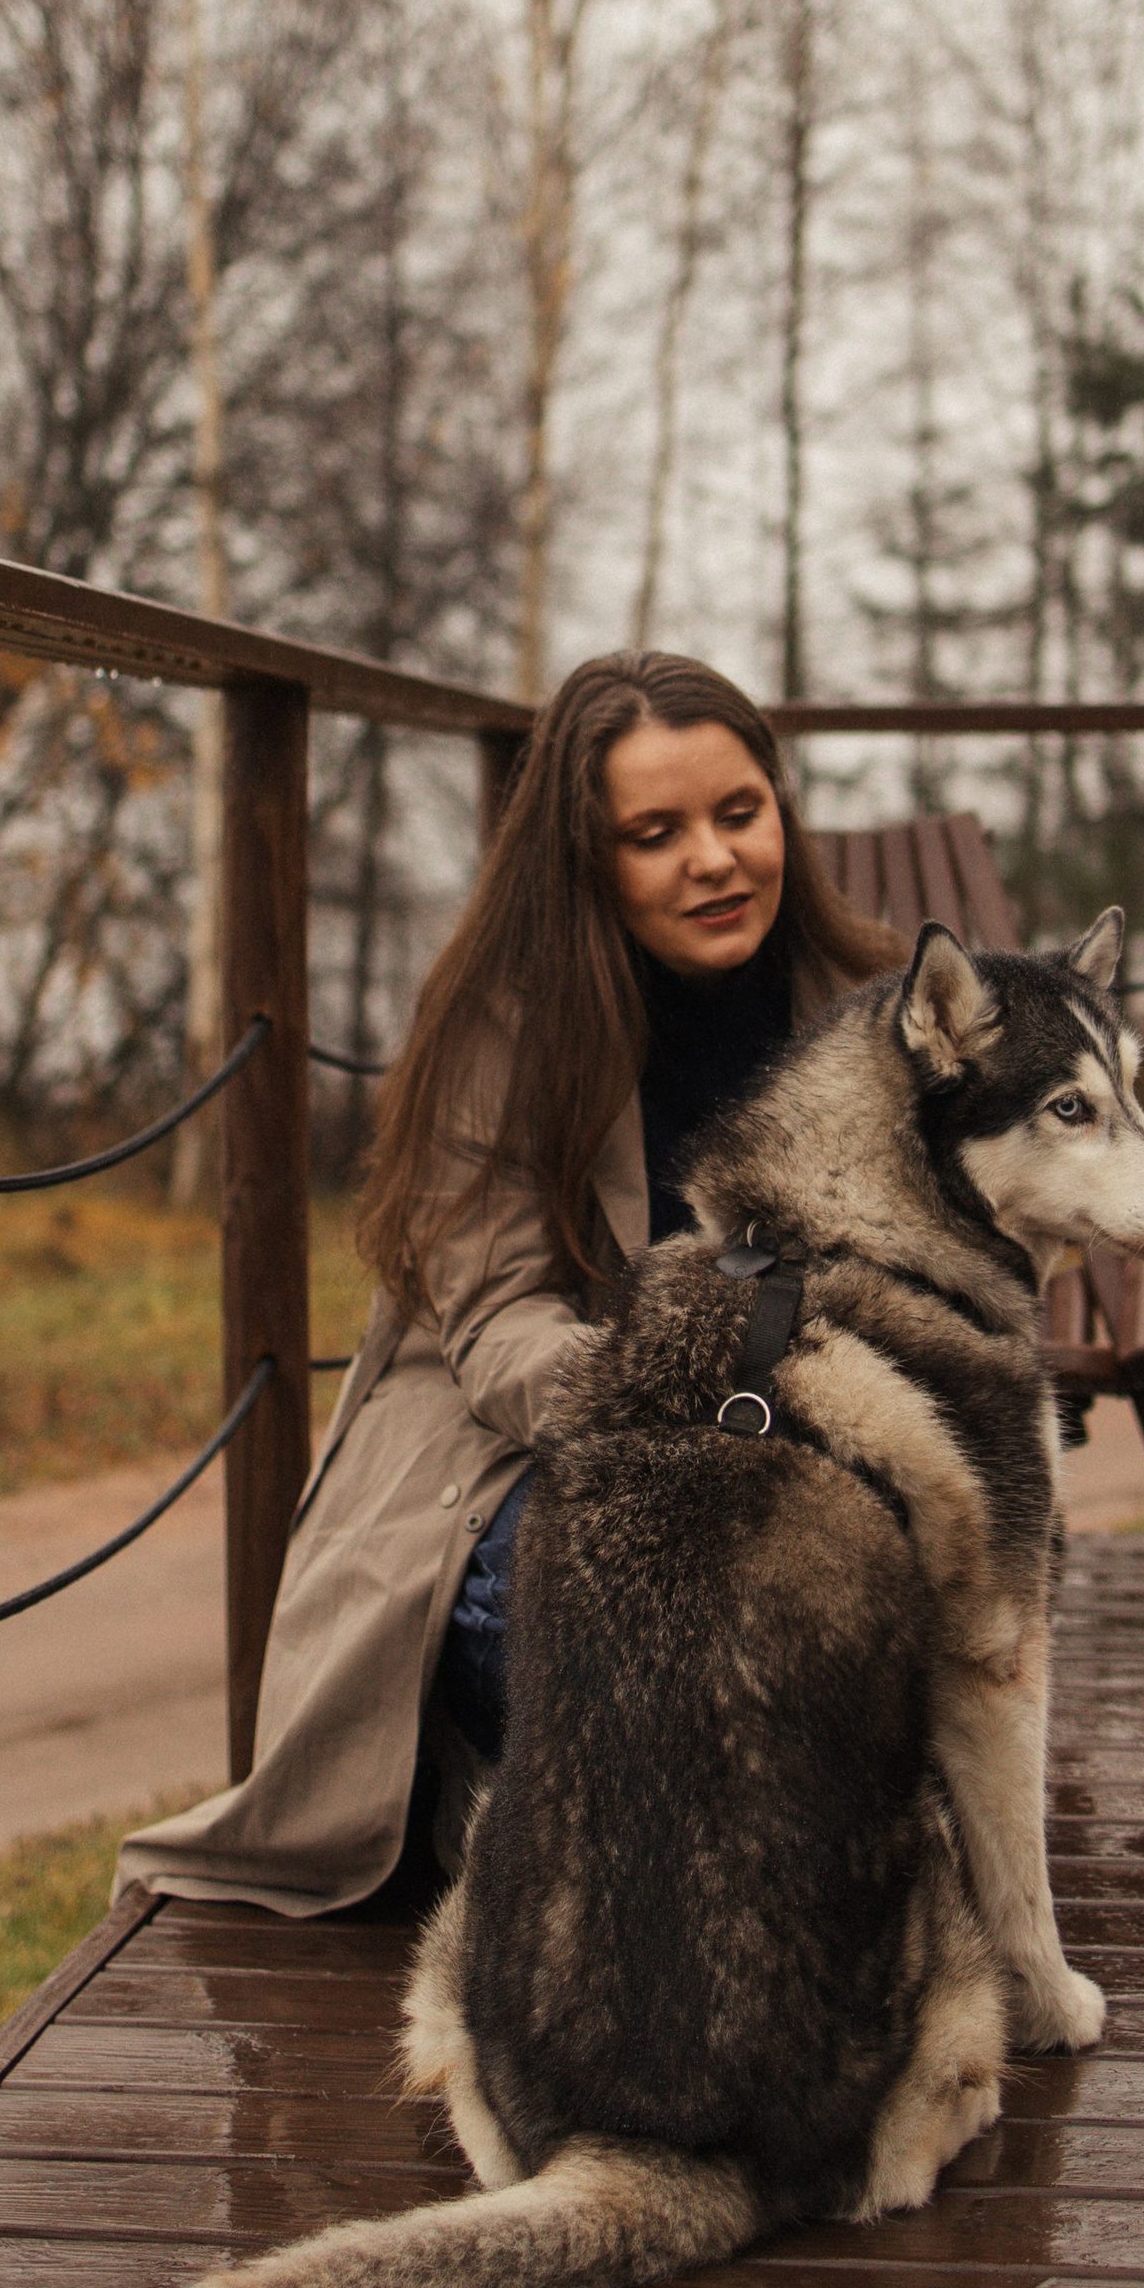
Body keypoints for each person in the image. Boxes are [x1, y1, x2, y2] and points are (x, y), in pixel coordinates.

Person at [115, 651, 897, 1921]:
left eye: (738, 812)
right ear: (588, 860)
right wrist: (675, 1411)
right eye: (655, 833)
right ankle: (548, 1811)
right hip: (520, 1448)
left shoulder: (865, 1011)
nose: (712, 858)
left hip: (805, 1436)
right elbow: (497, 1325)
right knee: (631, 1614)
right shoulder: (504, 1017)